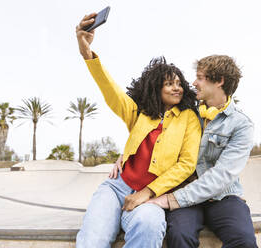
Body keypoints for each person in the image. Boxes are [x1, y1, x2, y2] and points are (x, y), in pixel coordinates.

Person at [75, 13, 201, 248]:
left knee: (150, 227)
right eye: (169, 83)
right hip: (117, 187)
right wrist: (88, 55)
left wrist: (147, 193)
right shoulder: (140, 114)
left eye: (178, 83)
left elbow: (186, 164)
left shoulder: (189, 119)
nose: (177, 88)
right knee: (93, 239)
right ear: (155, 88)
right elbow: (112, 93)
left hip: (150, 197)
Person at [147, 55, 258, 247]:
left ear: (219, 81)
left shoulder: (241, 124)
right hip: (186, 194)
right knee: (180, 236)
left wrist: (171, 199)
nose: (194, 83)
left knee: (244, 241)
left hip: (223, 197)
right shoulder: (186, 113)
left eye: (200, 77)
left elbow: (221, 176)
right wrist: (127, 156)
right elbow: (157, 137)